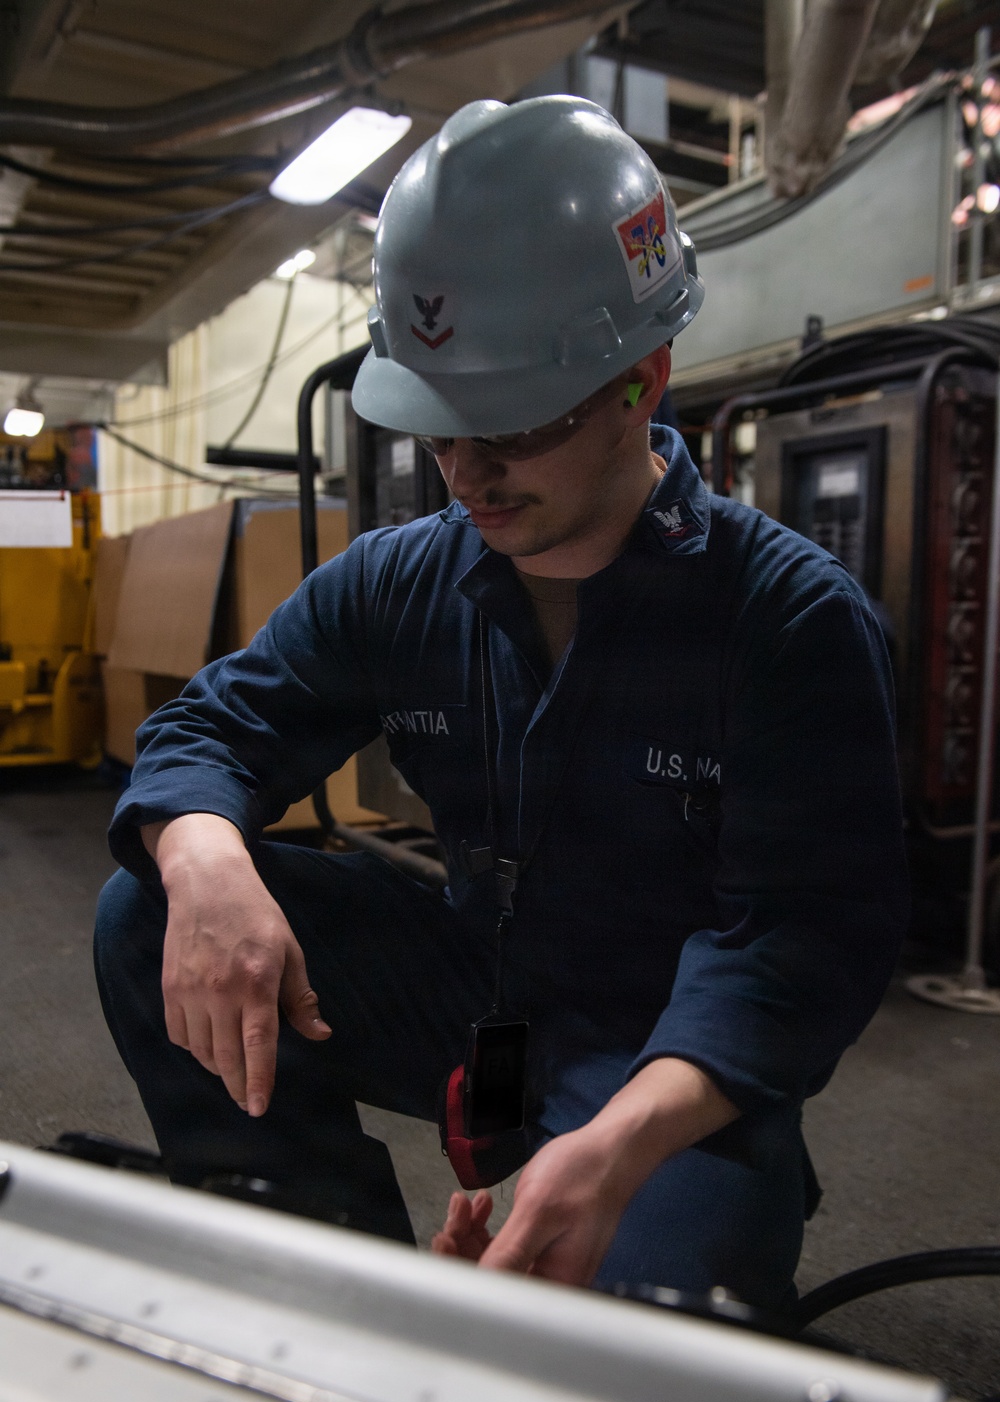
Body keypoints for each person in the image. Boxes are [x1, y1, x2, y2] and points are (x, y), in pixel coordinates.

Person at [94, 96, 907, 1309]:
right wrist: (206, 861)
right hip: (476, 989)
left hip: (659, 1041)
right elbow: (210, 728)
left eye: (515, 428)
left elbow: (796, 944)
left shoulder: (786, 619)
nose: (466, 474)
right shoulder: (396, 584)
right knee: (145, 908)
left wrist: (615, 1147)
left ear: (644, 381)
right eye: (440, 426)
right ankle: (320, 1280)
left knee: (650, 1343)